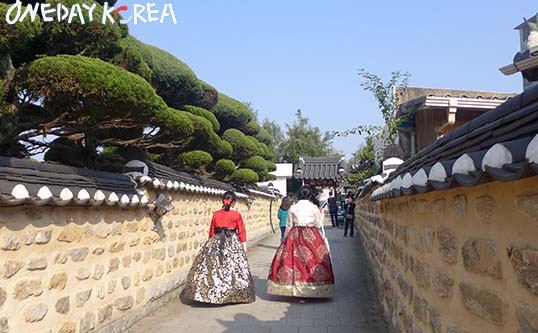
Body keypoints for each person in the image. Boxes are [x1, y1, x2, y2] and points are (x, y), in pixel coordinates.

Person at [183, 191, 255, 304]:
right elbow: (242, 232)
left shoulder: (216, 214)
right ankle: (234, 293)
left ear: (223, 200)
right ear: (234, 202)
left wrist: (209, 246)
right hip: (232, 242)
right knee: (233, 267)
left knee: (213, 267)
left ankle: (210, 292)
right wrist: (244, 247)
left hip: (216, 241)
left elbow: (212, 231)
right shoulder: (236, 215)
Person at [267, 186, 335, 298]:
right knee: (314, 260)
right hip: (311, 234)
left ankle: (293, 288)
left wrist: (285, 241)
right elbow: (318, 224)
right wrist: (321, 214)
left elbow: (289, 225)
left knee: (294, 261)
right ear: (310, 195)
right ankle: (313, 289)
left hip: (296, 234)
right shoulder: (313, 207)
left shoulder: (293, 207)